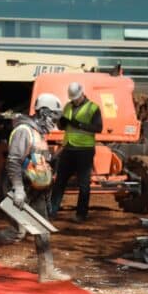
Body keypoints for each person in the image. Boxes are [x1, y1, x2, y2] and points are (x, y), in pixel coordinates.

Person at [0, 93, 71, 283]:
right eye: (53, 116)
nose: (55, 121)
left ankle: (47, 271)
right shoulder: (24, 131)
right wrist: (18, 189)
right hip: (15, 188)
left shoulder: (39, 134)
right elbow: (13, 162)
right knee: (18, 232)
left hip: (35, 189)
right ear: (43, 112)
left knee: (41, 228)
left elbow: (39, 161)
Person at [50, 82, 102, 222]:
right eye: (72, 98)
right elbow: (62, 127)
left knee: (84, 184)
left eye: (76, 98)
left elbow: (98, 128)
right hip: (68, 148)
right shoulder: (68, 106)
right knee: (60, 181)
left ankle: (81, 214)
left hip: (84, 150)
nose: (74, 100)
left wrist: (78, 124)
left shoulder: (93, 108)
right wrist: (61, 122)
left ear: (82, 94)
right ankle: (52, 211)